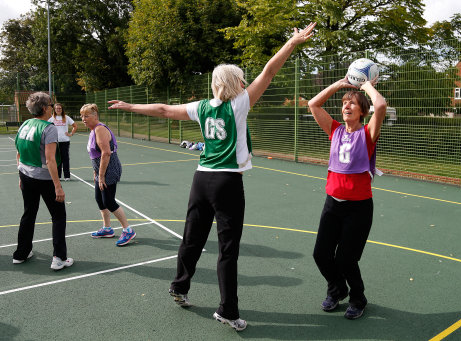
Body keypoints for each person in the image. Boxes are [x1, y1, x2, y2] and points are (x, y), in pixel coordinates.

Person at [107, 22, 316, 331]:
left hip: (201, 180)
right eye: (243, 79)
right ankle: (228, 311)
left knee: (192, 239)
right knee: (227, 249)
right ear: (236, 83)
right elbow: (270, 72)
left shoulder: (203, 107)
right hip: (227, 183)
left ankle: (179, 287)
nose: (247, 82)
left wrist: (129, 106)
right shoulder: (240, 103)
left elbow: (164, 110)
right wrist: (292, 42)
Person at [308, 75, 386, 319]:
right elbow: (313, 104)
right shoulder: (335, 131)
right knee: (321, 254)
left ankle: (358, 298)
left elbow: (381, 106)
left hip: (358, 208)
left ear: (362, 111)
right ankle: (337, 288)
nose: (346, 106)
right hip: (332, 205)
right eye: (344, 103)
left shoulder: (367, 135)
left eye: (352, 103)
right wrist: (338, 85)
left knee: (345, 259)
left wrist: (366, 87)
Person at [13, 92, 74, 270]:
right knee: (58, 216)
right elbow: (50, 160)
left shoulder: (25, 124)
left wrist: (20, 175)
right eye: (51, 104)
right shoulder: (49, 128)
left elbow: (18, 151)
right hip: (44, 178)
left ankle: (21, 253)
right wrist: (58, 187)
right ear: (46, 108)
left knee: (29, 213)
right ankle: (59, 258)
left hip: (26, 175)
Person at [80, 104, 135, 246]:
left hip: (109, 169)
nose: (83, 119)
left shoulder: (100, 129)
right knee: (99, 199)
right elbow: (96, 154)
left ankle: (128, 230)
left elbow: (106, 153)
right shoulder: (93, 130)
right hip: (101, 169)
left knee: (109, 201)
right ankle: (107, 229)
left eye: (86, 116)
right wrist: (96, 172)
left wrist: (102, 175)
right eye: (82, 116)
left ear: (95, 116)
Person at [48, 103, 78, 181]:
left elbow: (75, 126)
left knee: (65, 159)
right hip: (55, 142)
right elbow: (46, 127)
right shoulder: (51, 118)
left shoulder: (66, 117)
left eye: (60, 108)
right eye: (57, 108)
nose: (58, 110)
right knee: (57, 159)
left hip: (65, 141)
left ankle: (67, 176)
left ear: (62, 109)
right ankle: (58, 176)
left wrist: (71, 134)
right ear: (54, 110)